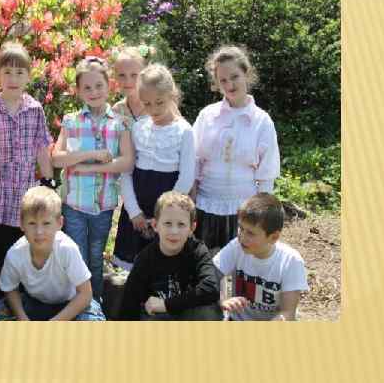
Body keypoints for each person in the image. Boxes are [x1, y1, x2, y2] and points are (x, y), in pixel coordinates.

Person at [52, 56, 134, 300]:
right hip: (74, 206)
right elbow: (57, 158)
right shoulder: (71, 122)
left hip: (103, 207)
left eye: (99, 85)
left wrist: (89, 168)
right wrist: (91, 155)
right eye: (87, 87)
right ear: (78, 91)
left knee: (96, 259)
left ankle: (94, 305)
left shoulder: (120, 124)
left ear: (109, 86)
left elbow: (127, 162)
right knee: (77, 257)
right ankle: (75, 303)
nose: (94, 92)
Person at [0, 42, 54, 295]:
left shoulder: (34, 110)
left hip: (26, 202)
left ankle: (24, 299)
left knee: (26, 254)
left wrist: (50, 187)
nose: (13, 79)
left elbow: (42, 150)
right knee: (1, 255)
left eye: (20, 73)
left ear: (28, 76)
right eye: (7, 72)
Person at [193, 45, 280, 250]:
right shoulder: (207, 115)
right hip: (205, 206)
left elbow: (266, 174)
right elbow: (194, 159)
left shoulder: (261, 121)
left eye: (234, 77)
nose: (229, 84)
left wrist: (259, 214)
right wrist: (192, 196)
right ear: (217, 83)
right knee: (207, 263)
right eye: (223, 80)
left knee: (241, 263)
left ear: (246, 74)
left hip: (244, 212)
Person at [0, 186, 106, 321]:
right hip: (35, 303)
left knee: (93, 322)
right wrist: (22, 318)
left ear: (59, 223)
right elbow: (10, 289)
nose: (39, 231)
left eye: (46, 223)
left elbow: (85, 294)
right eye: (32, 223)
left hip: (71, 304)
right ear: (21, 224)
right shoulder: (15, 253)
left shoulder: (66, 249)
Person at [120, 64, 195, 262]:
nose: (153, 109)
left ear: (172, 95)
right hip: (138, 207)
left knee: (164, 262)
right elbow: (126, 171)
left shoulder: (184, 131)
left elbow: (187, 176)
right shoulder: (138, 128)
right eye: (147, 104)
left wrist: (164, 214)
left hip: (169, 209)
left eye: (159, 102)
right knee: (135, 265)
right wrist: (133, 211)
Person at [119, 191, 221, 320]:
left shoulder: (197, 250)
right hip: (158, 318)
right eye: (168, 223)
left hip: (187, 314)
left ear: (192, 228)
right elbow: (129, 303)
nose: (174, 231)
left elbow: (211, 288)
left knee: (209, 313)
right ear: (155, 225)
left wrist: (166, 304)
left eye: (181, 224)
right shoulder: (145, 259)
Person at [213, 193, 308, 321]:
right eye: (241, 228)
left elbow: (288, 313)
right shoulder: (237, 246)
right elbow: (211, 276)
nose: (242, 237)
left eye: (250, 233)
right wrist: (223, 299)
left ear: (273, 237)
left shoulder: (290, 261)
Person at [110, 47, 149, 271]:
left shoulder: (157, 104)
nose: (128, 81)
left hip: (156, 179)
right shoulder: (117, 110)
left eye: (134, 75)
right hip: (130, 182)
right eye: (122, 75)